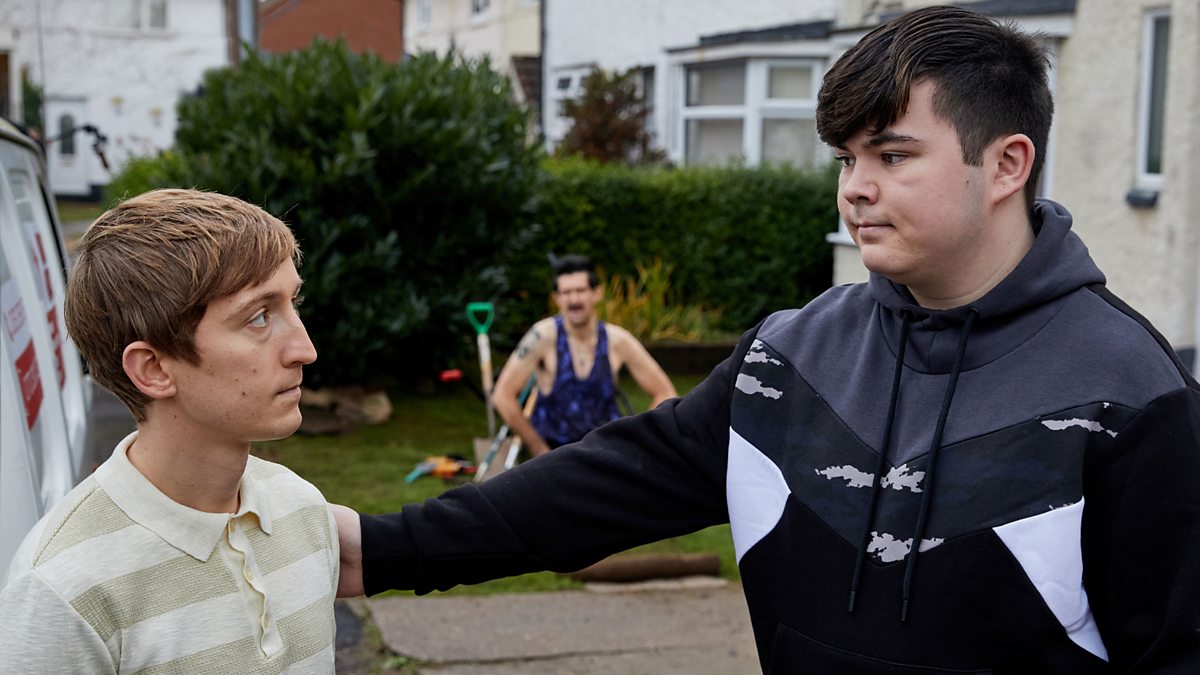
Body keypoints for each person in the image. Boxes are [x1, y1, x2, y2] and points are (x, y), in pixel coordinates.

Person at [331, 6, 1200, 672]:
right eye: (845, 159)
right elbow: (605, 484)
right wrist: (382, 548)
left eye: (893, 155)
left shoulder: (1131, 391)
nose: (855, 188)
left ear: (1007, 164)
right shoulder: (791, 358)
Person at [0, 189, 342, 672]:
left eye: (293, 303)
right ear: (154, 369)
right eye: (259, 317)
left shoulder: (304, 510)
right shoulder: (61, 590)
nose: (305, 349)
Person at [491, 254, 677, 456]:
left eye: (580, 291)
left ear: (596, 294)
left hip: (605, 454)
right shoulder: (542, 337)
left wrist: (637, 439)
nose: (574, 300)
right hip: (555, 454)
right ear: (556, 298)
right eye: (566, 292)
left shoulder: (618, 341)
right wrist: (539, 448)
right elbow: (502, 396)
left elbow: (665, 392)